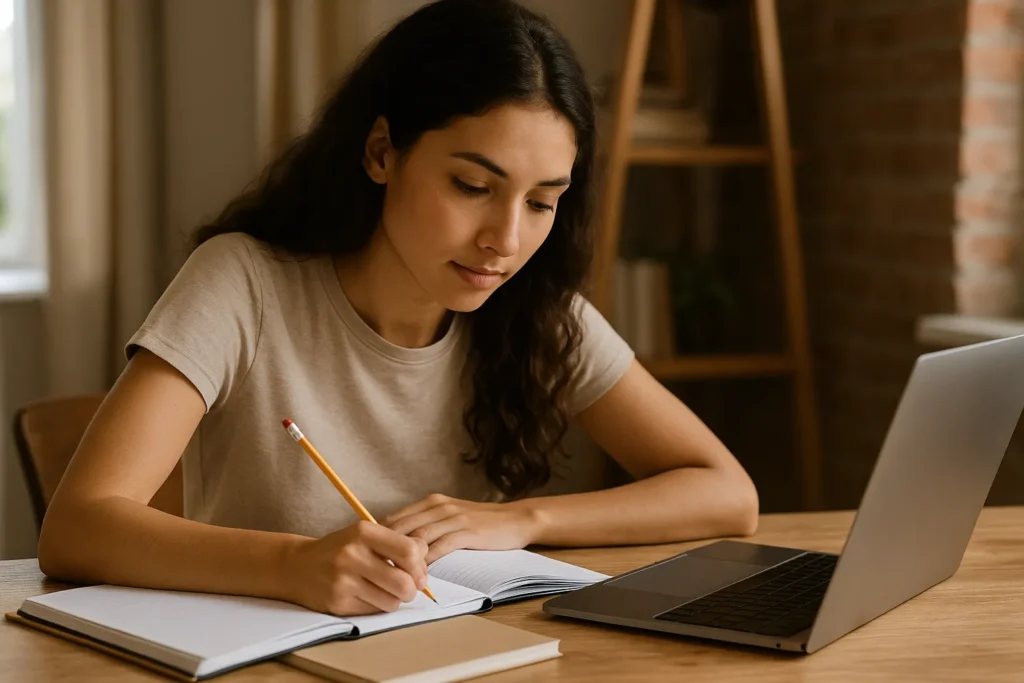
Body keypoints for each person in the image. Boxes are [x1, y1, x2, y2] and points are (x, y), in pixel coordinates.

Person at [38, 0, 758, 617]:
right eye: (473, 186)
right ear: (382, 151)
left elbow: (727, 493)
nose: (505, 241)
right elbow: (76, 527)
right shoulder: (245, 283)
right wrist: (292, 564)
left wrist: (520, 519)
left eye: (542, 202)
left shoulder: (534, 308)